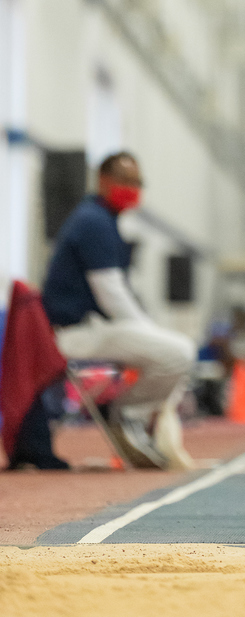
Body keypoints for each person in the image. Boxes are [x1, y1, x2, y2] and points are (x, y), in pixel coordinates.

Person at [41, 151, 196, 468]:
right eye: (124, 180)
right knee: (178, 352)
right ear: (103, 181)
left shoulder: (102, 220)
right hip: (75, 332)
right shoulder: (94, 222)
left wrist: (148, 332)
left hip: (93, 327)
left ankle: (133, 418)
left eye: (137, 182)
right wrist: (149, 333)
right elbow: (111, 293)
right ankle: (126, 414)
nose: (132, 188)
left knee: (173, 351)